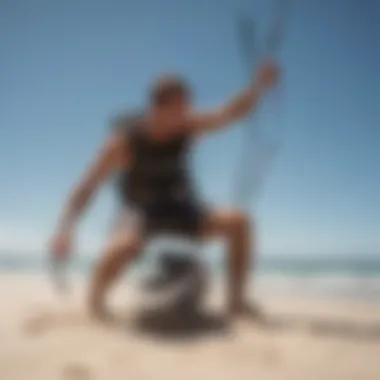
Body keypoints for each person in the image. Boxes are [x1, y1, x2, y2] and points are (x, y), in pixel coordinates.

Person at [50, 59, 279, 320]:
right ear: (157, 107)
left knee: (239, 221)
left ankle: (236, 302)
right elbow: (86, 186)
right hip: (140, 213)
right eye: (181, 107)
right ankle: (96, 305)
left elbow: (227, 113)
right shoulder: (123, 142)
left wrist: (257, 86)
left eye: (188, 106)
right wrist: (65, 230)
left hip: (181, 208)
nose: (188, 114)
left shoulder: (187, 124)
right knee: (119, 248)